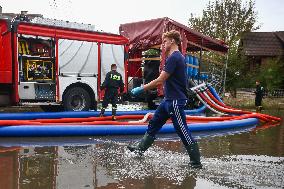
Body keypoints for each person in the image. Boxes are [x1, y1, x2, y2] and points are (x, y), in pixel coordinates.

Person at [127, 30, 202, 168]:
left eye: (165, 41)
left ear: (173, 41)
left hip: (175, 101)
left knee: (182, 130)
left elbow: (160, 80)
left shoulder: (175, 57)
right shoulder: (172, 57)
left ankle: (196, 162)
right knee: (154, 123)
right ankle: (140, 149)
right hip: (168, 100)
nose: (163, 44)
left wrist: (142, 88)